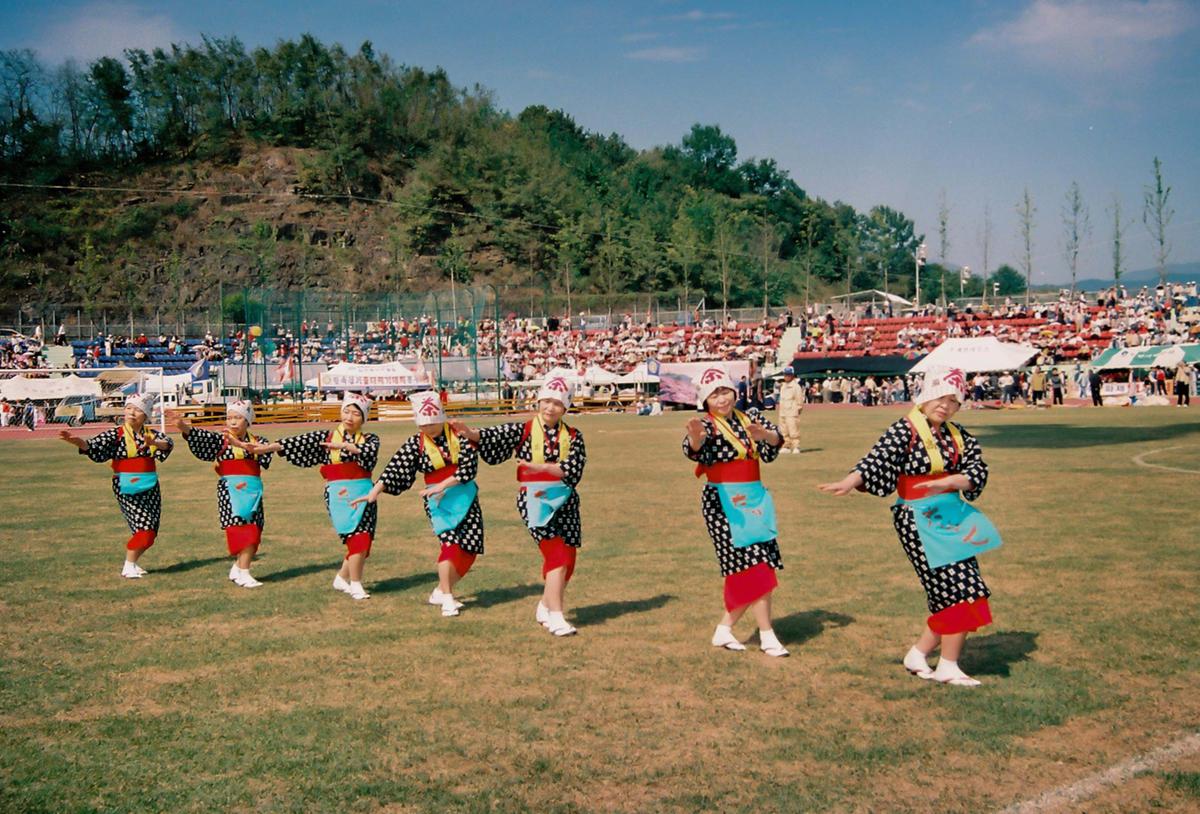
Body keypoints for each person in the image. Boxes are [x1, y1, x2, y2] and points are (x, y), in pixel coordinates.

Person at [818, 369, 1002, 687]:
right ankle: (948, 665)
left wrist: (953, 481)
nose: (944, 406)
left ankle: (919, 654)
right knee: (957, 589)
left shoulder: (959, 436)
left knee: (959, 588)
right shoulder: (904, 430)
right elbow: (877, 460)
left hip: (952, 514)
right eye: (940, 398)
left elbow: (976, 468)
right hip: (917, 518)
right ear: (925, 395)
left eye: (952, 401)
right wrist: (850, 481)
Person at [454, 376, 587, 637]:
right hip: (534, 500)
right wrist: (472, 435)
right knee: (557, 555)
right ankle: (557, 616)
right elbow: (496, 435)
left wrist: (542, 467)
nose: (550, 407)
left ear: (566, 407)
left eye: (557, 403)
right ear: (538, 400)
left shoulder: (573, 436)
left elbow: (574, 468)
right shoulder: (524, 429)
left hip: (566, 500)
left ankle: (545, 606)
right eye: (546, 401)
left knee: (568, 558)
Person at [233, 393, 380, 600]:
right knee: (356, 539)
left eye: (356, 413)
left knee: (363, 539)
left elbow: (368, 451)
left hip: (365, 493)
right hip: (339, 495)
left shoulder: (371, 439)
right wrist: (266, 448)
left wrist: (345, 447)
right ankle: (356, 584)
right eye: (346, 411)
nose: (349, 417)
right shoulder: (327, 437)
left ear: (363, 418)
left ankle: (342, 578)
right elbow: (295, 443)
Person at [684, 367, 789, 657]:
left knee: (753, 566)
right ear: (705, 400)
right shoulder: (706, 425)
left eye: (725, 391)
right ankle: (767, 635)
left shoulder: (750, 417)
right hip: (723, 503)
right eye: (714, 394)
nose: (721, 399)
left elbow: (773, 447)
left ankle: (724, 629)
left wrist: (765, 434)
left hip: (754, 500)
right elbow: (694, 450)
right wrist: (695, 439)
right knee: (754, 566)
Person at [353, 391, 485, 618]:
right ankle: (448, 598)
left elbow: (468, 468)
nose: (429, 428)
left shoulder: (459, 435)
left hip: (464, 496)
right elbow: (396, 467)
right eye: (424, 424)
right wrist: (374, 491)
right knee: (450, 546)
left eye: (433, 422)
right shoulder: (416, 443)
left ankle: (441, 591)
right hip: (436, 501)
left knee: (470, 548)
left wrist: (444, 484)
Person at [58, 393, 174, 578]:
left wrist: (154, 443)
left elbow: (167, 444)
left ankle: (133, 564)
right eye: (129, 408)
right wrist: (76, 442)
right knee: (144, 529)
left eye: (137, 409)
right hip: (125, 485)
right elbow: (92, 446)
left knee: (150, 530)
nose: (131, 413)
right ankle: (128, 565)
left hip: (150, 485)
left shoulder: (151, 434)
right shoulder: (116, 434)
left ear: (146, 414)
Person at [178, 400, 273, 588]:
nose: (233, 422)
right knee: (244, 530)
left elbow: (266, 453)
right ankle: (244, 573)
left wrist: (241, 445)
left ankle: (238, 568)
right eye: (229, 418)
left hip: (253, 491)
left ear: (247, 420)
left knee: (256, 530)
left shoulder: (258, 441)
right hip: (230, 490)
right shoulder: (220, 440)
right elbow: (201, 437)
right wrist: (185, 428)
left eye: (238, 417)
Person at [776, 367, 804, 454]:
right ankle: (786, 446)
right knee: (784, 431)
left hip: (792, 412)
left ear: (792, 375)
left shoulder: (796, 387)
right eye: (785, 375)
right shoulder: (783, 386)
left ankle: (796, 446)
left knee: (793, 430)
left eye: (788, 375)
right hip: (783, 412)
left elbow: (799, 401)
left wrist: (797, 411)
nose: (786, 377)